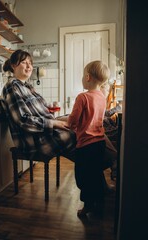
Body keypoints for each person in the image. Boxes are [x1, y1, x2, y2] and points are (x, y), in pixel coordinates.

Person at [1, 49, 76, 161]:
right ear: (13, 65)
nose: (29, 66)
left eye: (30, 63)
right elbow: (23, 120)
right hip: (35, 141)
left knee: (79, 123)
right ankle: (104, 163)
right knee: (80, 135)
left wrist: (53, 115)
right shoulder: (12, 86)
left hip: (44, 132)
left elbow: (39, 112)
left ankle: (99, 163)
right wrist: (54, 123)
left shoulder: (28, 87)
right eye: (24, 62)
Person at [67, 60, 110, 218]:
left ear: (87, 77)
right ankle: (99, 204)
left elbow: (73, 120)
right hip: (99, 142)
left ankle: (87, 207)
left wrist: (69, 124)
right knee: (96, 174)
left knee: (83, 177)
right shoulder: (102, 97)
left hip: (85, 144)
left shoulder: (82, 97)